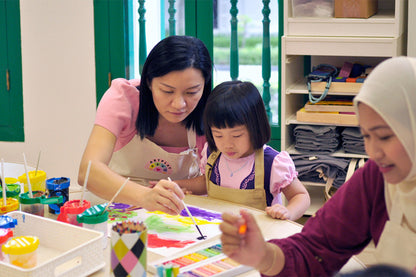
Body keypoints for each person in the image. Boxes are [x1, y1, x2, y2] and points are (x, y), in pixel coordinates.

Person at [219, 56, 416, 276]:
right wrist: (265, 256)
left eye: (385, 137)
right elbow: (316, 246)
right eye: (366, 136)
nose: (374, 152)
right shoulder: (377, 178)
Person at [78, 35, 212, 215]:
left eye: (192, 92)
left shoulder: (211, 111)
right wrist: (146, 197)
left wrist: (175, 189)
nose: (179, 104)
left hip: (176, 214)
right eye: (167, 91)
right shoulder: (122, 98)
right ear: (149, 81)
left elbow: (217, 178)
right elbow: (88, 171)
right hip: (114, 205)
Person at [183, 81, 310, 221]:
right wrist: (175, 185)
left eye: (236, 135)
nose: (227, 145)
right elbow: (206, 183)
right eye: (218, 135)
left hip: (260, 237)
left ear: (255, 127)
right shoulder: (212, 155)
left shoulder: (272, 163)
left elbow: (301, 196)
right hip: (219, 233)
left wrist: (288, 212)